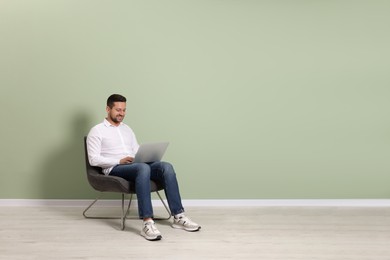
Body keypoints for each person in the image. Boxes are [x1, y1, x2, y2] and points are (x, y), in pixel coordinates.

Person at [86, 94, 201, 241]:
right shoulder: (97, 131)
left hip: (134, 164)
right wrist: (119, 160)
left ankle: (178, 216)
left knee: (166, 167)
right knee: (143, 169)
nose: (121, 113)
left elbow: (135, 149)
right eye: (118, 110)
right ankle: (147, 223)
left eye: (124, 110)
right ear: (108, 109)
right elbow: (93, 159)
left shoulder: (127, 129)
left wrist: (144, 156)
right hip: (114, 168)